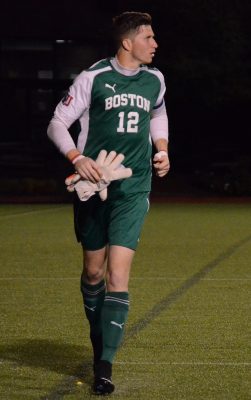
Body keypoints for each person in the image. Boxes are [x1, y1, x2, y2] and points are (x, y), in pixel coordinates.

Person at [47, 11, 170, 395]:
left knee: (118, 276)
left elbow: (159, 114)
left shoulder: (156, 79)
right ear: (127, 42)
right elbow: (56, 123)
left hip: (132, 189)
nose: (154, 44)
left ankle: (104, 366)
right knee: (94, 273)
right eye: (148, 37)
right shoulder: (93, 78)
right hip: (92, 185)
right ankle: (99, 341)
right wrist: (77, 159)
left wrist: (162, 149)